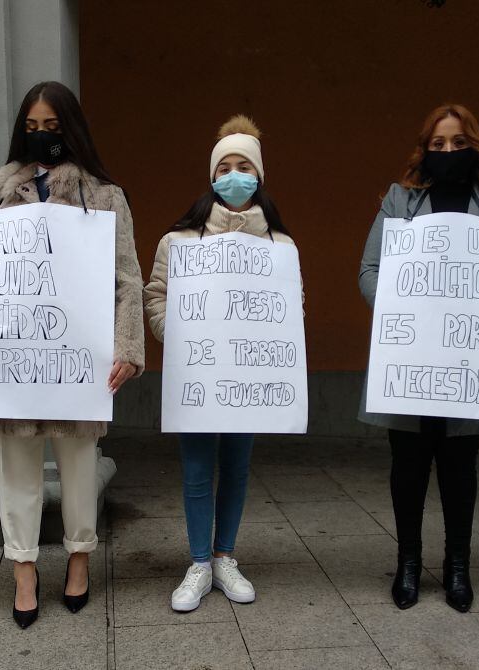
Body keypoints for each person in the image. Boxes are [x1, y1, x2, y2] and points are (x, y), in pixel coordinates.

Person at [0, 81, 145, 628]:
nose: (42, 134)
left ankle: (78, 560)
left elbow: (127, 279)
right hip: (11, 360)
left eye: (52, 125)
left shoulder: (104, 195)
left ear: (71, 127)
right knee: (15, 469)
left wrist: (127, 347)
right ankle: (23, 570)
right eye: (33, 125)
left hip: (77, 361)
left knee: (78, 467)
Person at [358, 103, 479, 613]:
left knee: (461, 470)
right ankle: (409, 564)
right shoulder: (400, 199)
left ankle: (459, 567)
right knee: (407, 468)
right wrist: (398, 304)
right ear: (424, 149)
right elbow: (369, 269)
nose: (448, 152)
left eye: (458, 143)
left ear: (474, 146)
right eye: (438, 144)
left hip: (468, 364)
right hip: (410, 358)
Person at [143, 115, 296, 612]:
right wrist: (179, 336)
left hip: (247, 377)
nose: (234, 176)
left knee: (236, 468)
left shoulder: (279, 247)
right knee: (194, 470)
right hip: (200, 375)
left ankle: (226, 556)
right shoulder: (179, 241)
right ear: (211, 177)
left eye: (244, 166)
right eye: (224, 167)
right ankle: (199, 562)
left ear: (260, 175)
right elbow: (157, 297)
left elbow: (292, 306)